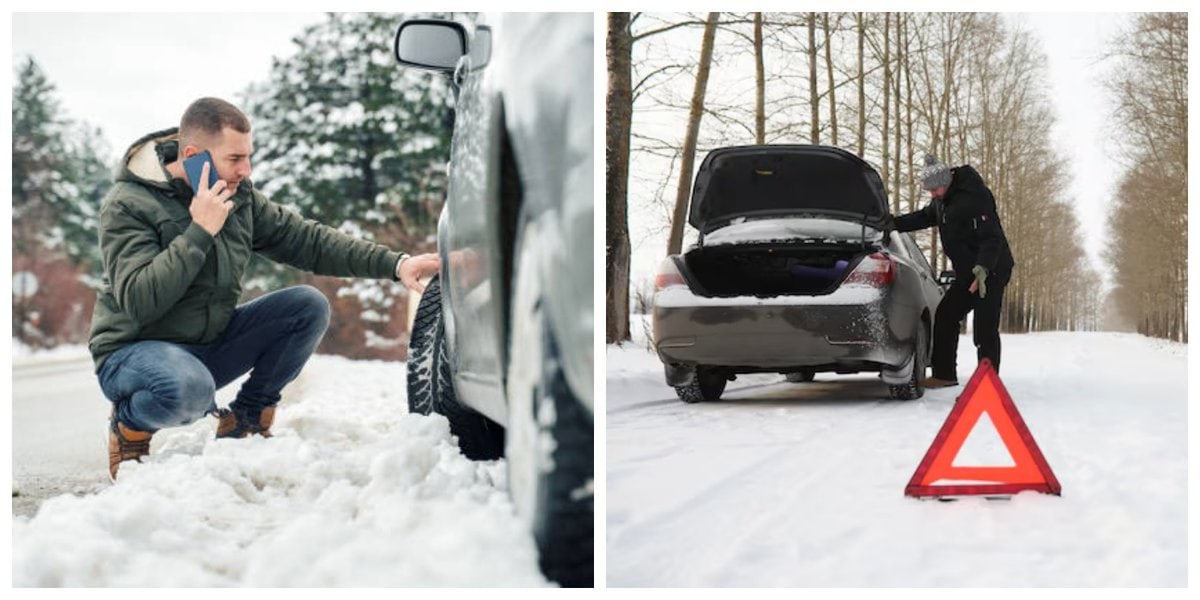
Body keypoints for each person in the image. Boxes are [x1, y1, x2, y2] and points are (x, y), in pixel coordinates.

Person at [90, 97, 440, 479]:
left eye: (248, 157)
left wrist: (397, 264)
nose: (246, 169)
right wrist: (200, 231)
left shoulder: (238, 197)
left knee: (306, 305)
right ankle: (129, 426)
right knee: (187, 389)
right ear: (194, 155)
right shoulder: (129, 204)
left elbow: (309, 241)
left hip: (206, 346)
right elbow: (140, 300)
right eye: (234, 159)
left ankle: (247, 419)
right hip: (135, 354)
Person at [892, 153, 1015, 388]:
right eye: (931, 190)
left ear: (947, 181)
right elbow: (923, 217)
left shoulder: (976, 197)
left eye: (936, 189)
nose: (933, 194)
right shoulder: (942, 201)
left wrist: (983, 268)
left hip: (992, 270)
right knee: (946, 315)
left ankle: (986, 387)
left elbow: (992, 238)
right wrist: (892, 223)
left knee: (984, 329)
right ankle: (944, 374)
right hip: (968, 272)